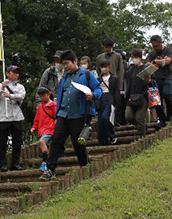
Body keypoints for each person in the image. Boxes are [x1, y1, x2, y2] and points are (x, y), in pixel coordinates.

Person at [40, 50, 102, 180]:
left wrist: (92, 95)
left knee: (77, 143)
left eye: (67, 63)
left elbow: (98, 89)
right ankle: (50, 170)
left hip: (78, 114)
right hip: (63, 114)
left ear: (75, 61)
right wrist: (57, 116)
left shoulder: (86, 74)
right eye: (63, 64)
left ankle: (84, 166)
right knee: (56, 140)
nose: (65, 66)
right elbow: (61, 96)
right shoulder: (64, 78)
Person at [0, 65, 26, 172]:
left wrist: (10, 95)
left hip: (16, 116)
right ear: (7, 73)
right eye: (13, 72)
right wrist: (2, 87)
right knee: (2, 142)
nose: (16, 74)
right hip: (3, 117)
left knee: (17, 142)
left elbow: (21, 96)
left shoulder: (20, 87)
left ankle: (15, 163)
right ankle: (2, 164)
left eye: (17, 72)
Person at [146, 35, 172, 125]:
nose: (155, 48)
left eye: (157, 46)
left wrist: (155, 62)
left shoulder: (168, 51)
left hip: (168, 76)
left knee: (167, 94)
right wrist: (160, 62)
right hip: (156, 78)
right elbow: (148, 65)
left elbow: (167, 62)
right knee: (157, 100)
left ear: (161, 43)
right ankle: (162, 119)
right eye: (154, 46)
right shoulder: (151, 53)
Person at [96, 38, 125, 125]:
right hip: (103, 82)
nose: (106, 49)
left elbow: (121, 70)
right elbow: (98, 71)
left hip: (114, 82)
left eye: (108, 47)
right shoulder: (100, 57)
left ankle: (116, 121)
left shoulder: (117, 56)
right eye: (105, 47)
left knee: (115, 103)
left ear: (112, 47)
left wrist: (120, 84)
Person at [125, 49, 150, 137]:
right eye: (132, 57)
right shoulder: (130, 71)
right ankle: (143, 127)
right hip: (131, 97)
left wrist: (148, 80)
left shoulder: (146, 69)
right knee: (128, 116)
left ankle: (141, 136)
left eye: (134, 57)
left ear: (140, 57)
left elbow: (152, 83)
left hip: (143, 97)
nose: (133, 59)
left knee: (139, 117)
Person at [30, 86, 56, 171]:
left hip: (50, 129)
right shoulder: (40, 107)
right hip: (42, 130)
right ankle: (49, 161)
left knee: (42, 142)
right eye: (40, 96)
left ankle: (45, 161)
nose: (42, 97)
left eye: (43, 95)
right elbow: (37, 119)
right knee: (45, 145)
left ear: (49, 94)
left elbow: (56, 117)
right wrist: (34, 127)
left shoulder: (53, 105)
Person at [96, 59, 119, 145]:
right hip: (100, 99)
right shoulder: (98, 79)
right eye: (102, 67)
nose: (104, 69)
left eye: (105, 66)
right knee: (101, 120)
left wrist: (116, 103)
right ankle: (102, 140)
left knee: (106, 117)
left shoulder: (114, 78)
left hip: (109, 98)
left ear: (109, 67)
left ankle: (112, 135)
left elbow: (116, 91)